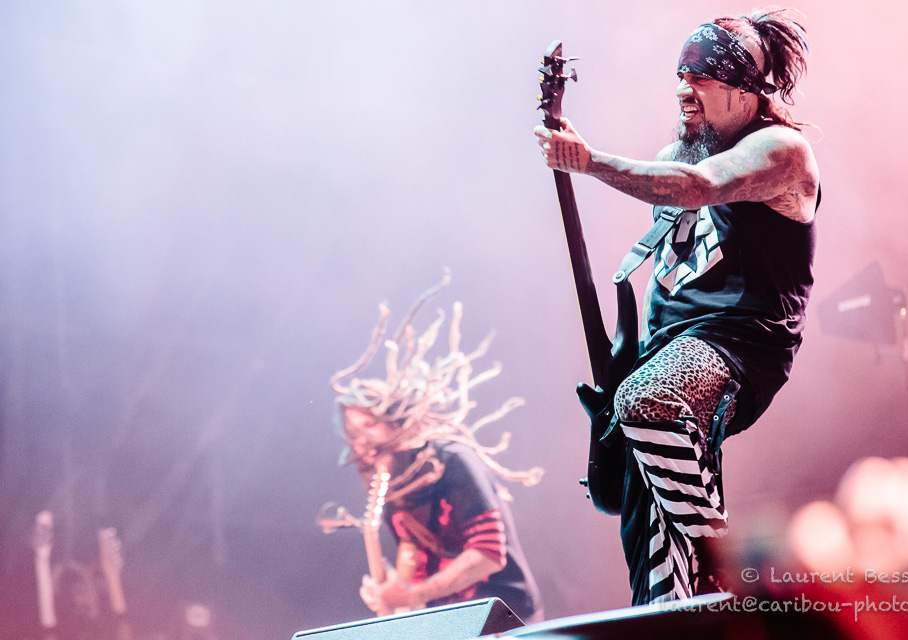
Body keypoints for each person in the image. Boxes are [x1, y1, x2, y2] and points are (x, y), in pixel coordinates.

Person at [534, 8, 820, 605]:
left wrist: (588, 162)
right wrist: (626, 357)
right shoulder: (679, 151)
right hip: (670, 349)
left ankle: (724, 563)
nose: (683, 91)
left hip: (736, 344)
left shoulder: (781, 150)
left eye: (701, 79)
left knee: (649, 400)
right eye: (681, 77)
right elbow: (670, 270)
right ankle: (680, 610)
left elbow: (699, 187)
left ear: (745, 89)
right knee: (652, 558)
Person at [328, 273, 545, 623]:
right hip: (449, 620)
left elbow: (489, 554)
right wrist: (390, 590)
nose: (362, 441)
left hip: (502, 615)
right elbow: (414, 562)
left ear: (394, 419)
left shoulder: (452, 460)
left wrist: (414, 594)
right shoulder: (391, 486)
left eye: (369, 425)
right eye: (353, 433)